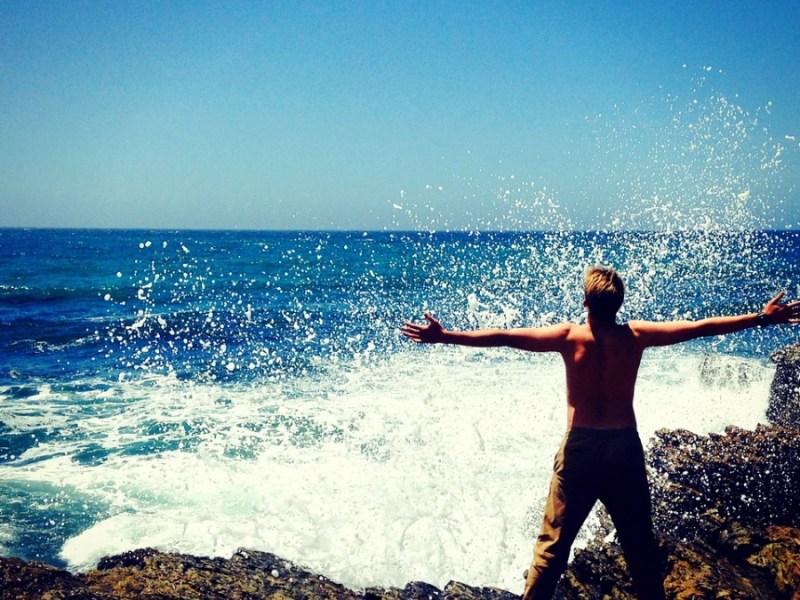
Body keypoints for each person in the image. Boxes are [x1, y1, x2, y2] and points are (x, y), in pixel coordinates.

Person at [401, 266, 800, 600]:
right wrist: (762, 318)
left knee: (552, 548)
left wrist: (445, 336)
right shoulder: (636, 336)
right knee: (640, 548)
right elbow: (699, 328)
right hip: (623, 447)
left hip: (581, 447)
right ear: (619, 303)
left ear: (585, 303)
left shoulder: (568, 337)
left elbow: (504, 337)